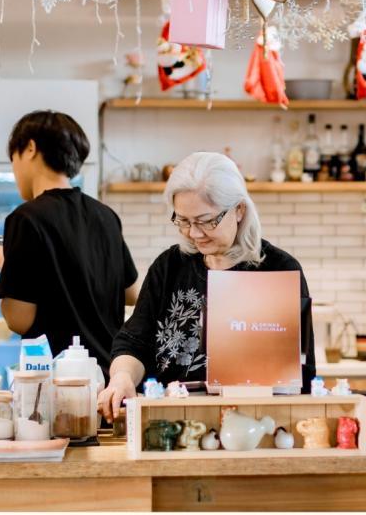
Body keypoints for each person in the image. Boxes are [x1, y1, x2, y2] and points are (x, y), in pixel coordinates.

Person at [98, 152, 316, 421]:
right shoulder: (170, 266)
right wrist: (121, 378)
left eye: (205, 221)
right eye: (184, 221)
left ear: (239, 210)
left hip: (255, 426)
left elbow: (301, 372)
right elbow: (134, 342)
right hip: (170, 427)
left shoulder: (279, 269)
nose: (194, 233)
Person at [0, 110, 139, 378]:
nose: (14, 170)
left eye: (12, 159)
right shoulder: (105, 215)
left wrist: (6, 267)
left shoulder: (26, 218)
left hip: (61, 384)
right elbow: (132, 293)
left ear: (29, 148)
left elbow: (19, 319)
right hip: (112, 380)